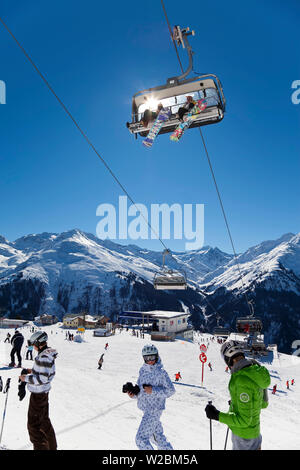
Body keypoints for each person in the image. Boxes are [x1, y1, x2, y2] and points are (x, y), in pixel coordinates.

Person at [205, 340, 270, 451]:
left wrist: (216, 415)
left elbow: (244, 421)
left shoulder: (241, 380)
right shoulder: (255, 371)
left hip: (243, 438)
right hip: (255, 434)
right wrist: (237, 403)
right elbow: (263, 403)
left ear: (228, 360)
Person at [127, 344, 175, 450]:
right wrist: (134, 394)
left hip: (154, 410)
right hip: (146, 409)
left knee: (141, 439)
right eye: (147, 358)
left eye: (152, 357)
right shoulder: (143, 371)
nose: (149, 360)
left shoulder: (161, 373)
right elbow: (141, 391)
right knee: (157, 438)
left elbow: (171, 391)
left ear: (156, 356)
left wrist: (153, 391)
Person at [19, 331, 58, 450]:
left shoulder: (44, 357)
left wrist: (25, 378)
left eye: (32, 343)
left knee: (34, 427)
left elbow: (42, 379)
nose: (32, 345)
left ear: (38, 342)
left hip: (38, 396)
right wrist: (31, 371)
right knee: (44, 423)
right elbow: (44, 372)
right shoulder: (45, 355)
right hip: (42, 394)